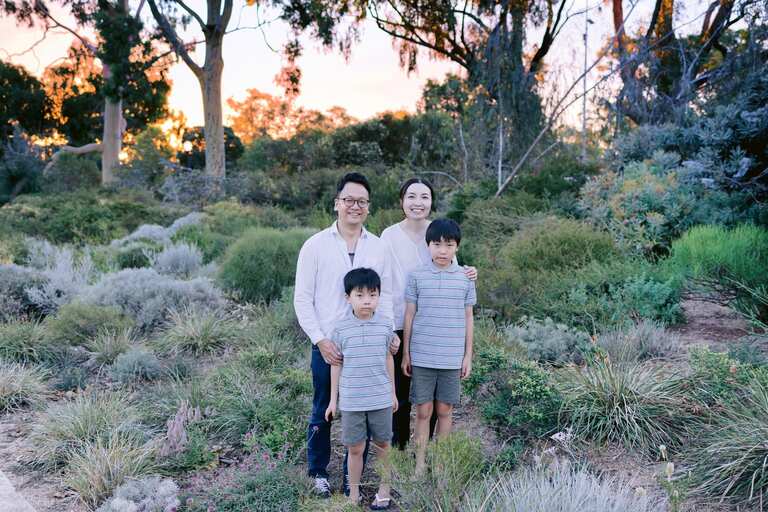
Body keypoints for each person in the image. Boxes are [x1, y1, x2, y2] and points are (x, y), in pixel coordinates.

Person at [294, 172, 400, 497]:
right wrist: (320, 339)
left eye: (362, 201)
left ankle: (350, 479)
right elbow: (302, 298)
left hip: (369, 345)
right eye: (349, 200)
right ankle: (317, 472)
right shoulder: (315, 245)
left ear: (368, 208)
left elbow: (390, 293)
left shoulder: (379, 247)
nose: (355, 206)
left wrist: (391, 333)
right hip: (328, 344)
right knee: (324, 406)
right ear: (337, 203)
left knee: (366, 409)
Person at [380, 178, 476, 450]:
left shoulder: (437, 233)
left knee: (432, 399)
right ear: (402, 200)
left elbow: (453, 270)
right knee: (401, 393)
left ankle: (427, 451)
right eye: (411, 196)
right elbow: (384, 279)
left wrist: (471, 272)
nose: (417, 202)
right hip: (398, 322)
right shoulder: (389, 235)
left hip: (431, 329)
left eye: (424, 197)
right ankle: (399, 446)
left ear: (431, 201)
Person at [401, 218, 476, 474]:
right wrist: (406, 354)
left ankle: (442, 464)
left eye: (449, 245)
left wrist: (468, 356)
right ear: (428, 246)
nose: (442, 250)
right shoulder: (417, 276)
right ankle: (420, 464)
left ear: (457, 247)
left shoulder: (465, 278)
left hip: (451, 357)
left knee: (445, 409)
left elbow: (468, 318)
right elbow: (409, 315)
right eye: (437, 244)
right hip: (422, 355)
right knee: (423, 410)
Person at [325, 268, 398, 510]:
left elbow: (389, 359)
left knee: (383, 445)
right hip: (352, 400)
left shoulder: (386, 326)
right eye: (360, 295)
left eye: (372, 294)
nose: (367, 300)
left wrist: (393, 393)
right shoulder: (340, 329)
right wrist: (333, 401)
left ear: (379, 296)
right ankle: (353, 494)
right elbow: (336, 365)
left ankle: (384, 490)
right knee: (355, 448)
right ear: (348, 298)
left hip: (380, 399)